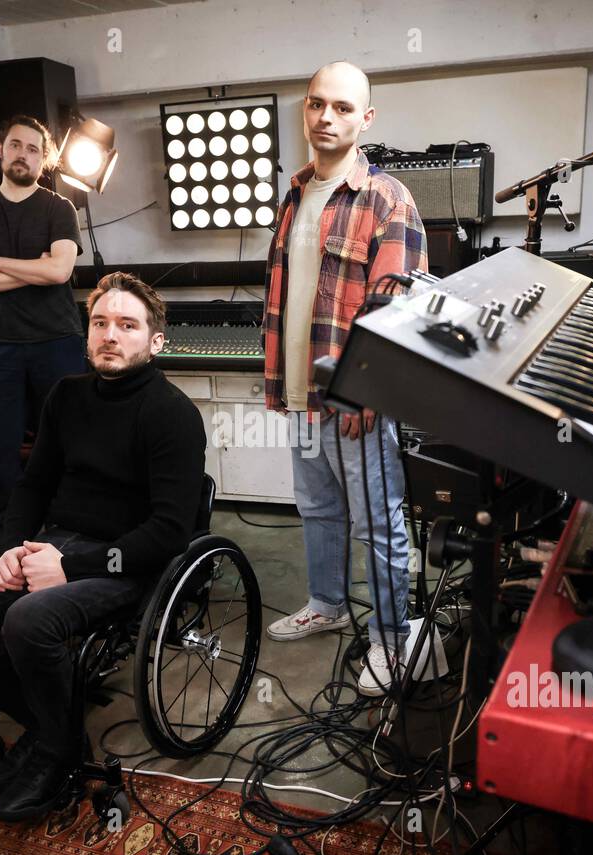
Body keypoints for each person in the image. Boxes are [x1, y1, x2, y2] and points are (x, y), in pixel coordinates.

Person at [0, 272, 206, 823]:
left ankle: (56, 752)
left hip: (125, 561)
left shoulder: (173, 414)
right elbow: (34, 486)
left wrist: (70, 566)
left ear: (155, 341)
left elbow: (169, 533)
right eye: (100, 323)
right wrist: (9, 549)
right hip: (52, 544)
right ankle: (55, 728)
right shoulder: (67, 396)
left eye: (128, 325)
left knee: (28, 622)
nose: (110, 335)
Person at [262, 61, 437, 696]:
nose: (325, 117)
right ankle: (328, 604)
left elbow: (395, 309)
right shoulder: (296, 190)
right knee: (317, 507)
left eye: (341, 107)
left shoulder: (387, 198)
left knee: (380, 524)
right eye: (316, 105)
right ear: (305, 111)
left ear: (365, 119)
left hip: (356, 394)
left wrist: (367, 388)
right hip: (302, 387)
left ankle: (393, 642)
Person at [0, 114, 86, 514]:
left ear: (43, 160)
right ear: (0, 149)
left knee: (70, 440)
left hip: (58, 340)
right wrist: (34, 269)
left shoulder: (59, 209)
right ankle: (13, 533)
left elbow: (60, 271)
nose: (22, 155)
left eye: (33, 149)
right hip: (2, 345)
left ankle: (68, 528)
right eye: (15, 145)